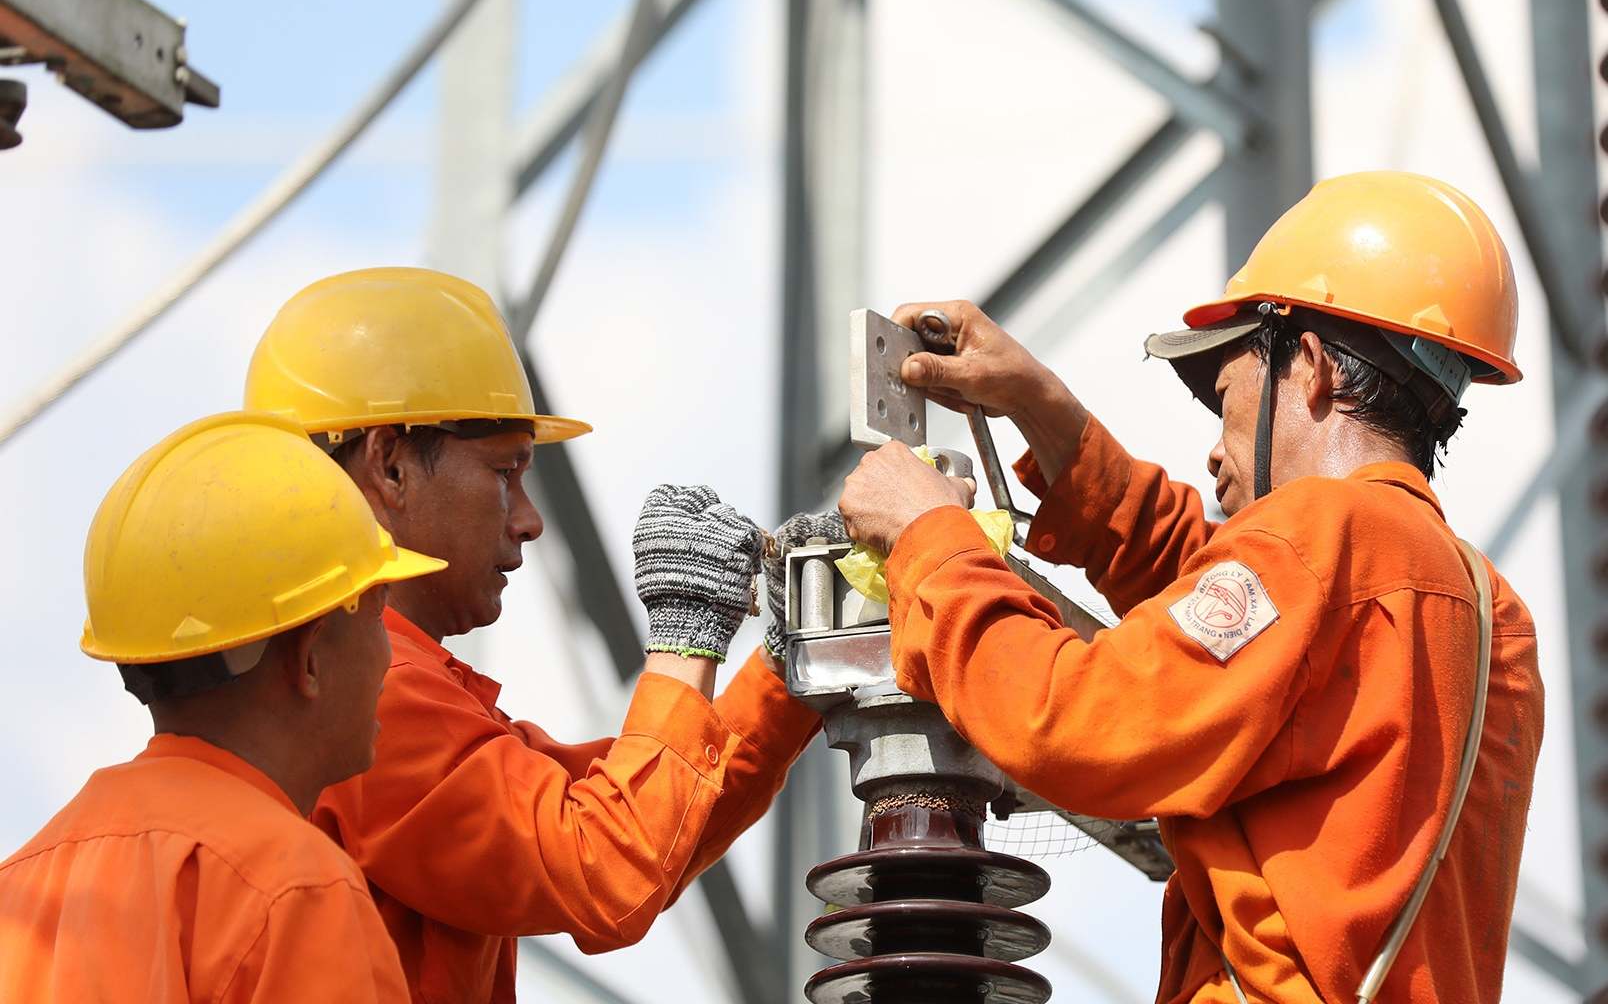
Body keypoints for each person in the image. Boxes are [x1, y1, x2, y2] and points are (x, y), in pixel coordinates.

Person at [836, 171, 1543, 1003]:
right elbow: (1225, 623)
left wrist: (930, 540)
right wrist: (1040, 406)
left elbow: (1072, 725)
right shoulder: (1482, 609)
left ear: (1308, 367)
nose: (1214, 452)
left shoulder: (1321, 538)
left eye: (1227, 399)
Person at [243, 267, 824, 1002]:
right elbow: (606, 864)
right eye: (504, 473)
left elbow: (650, 816)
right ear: (389, 464)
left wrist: (790, 664)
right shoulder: (367, 696)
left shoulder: (371, 688)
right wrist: (686, 636)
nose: (529, 519)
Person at [0, 412, 446, 1002]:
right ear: (309, 657)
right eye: (377, 612)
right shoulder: (294, 888)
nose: (391, 655)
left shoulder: (23, 887)